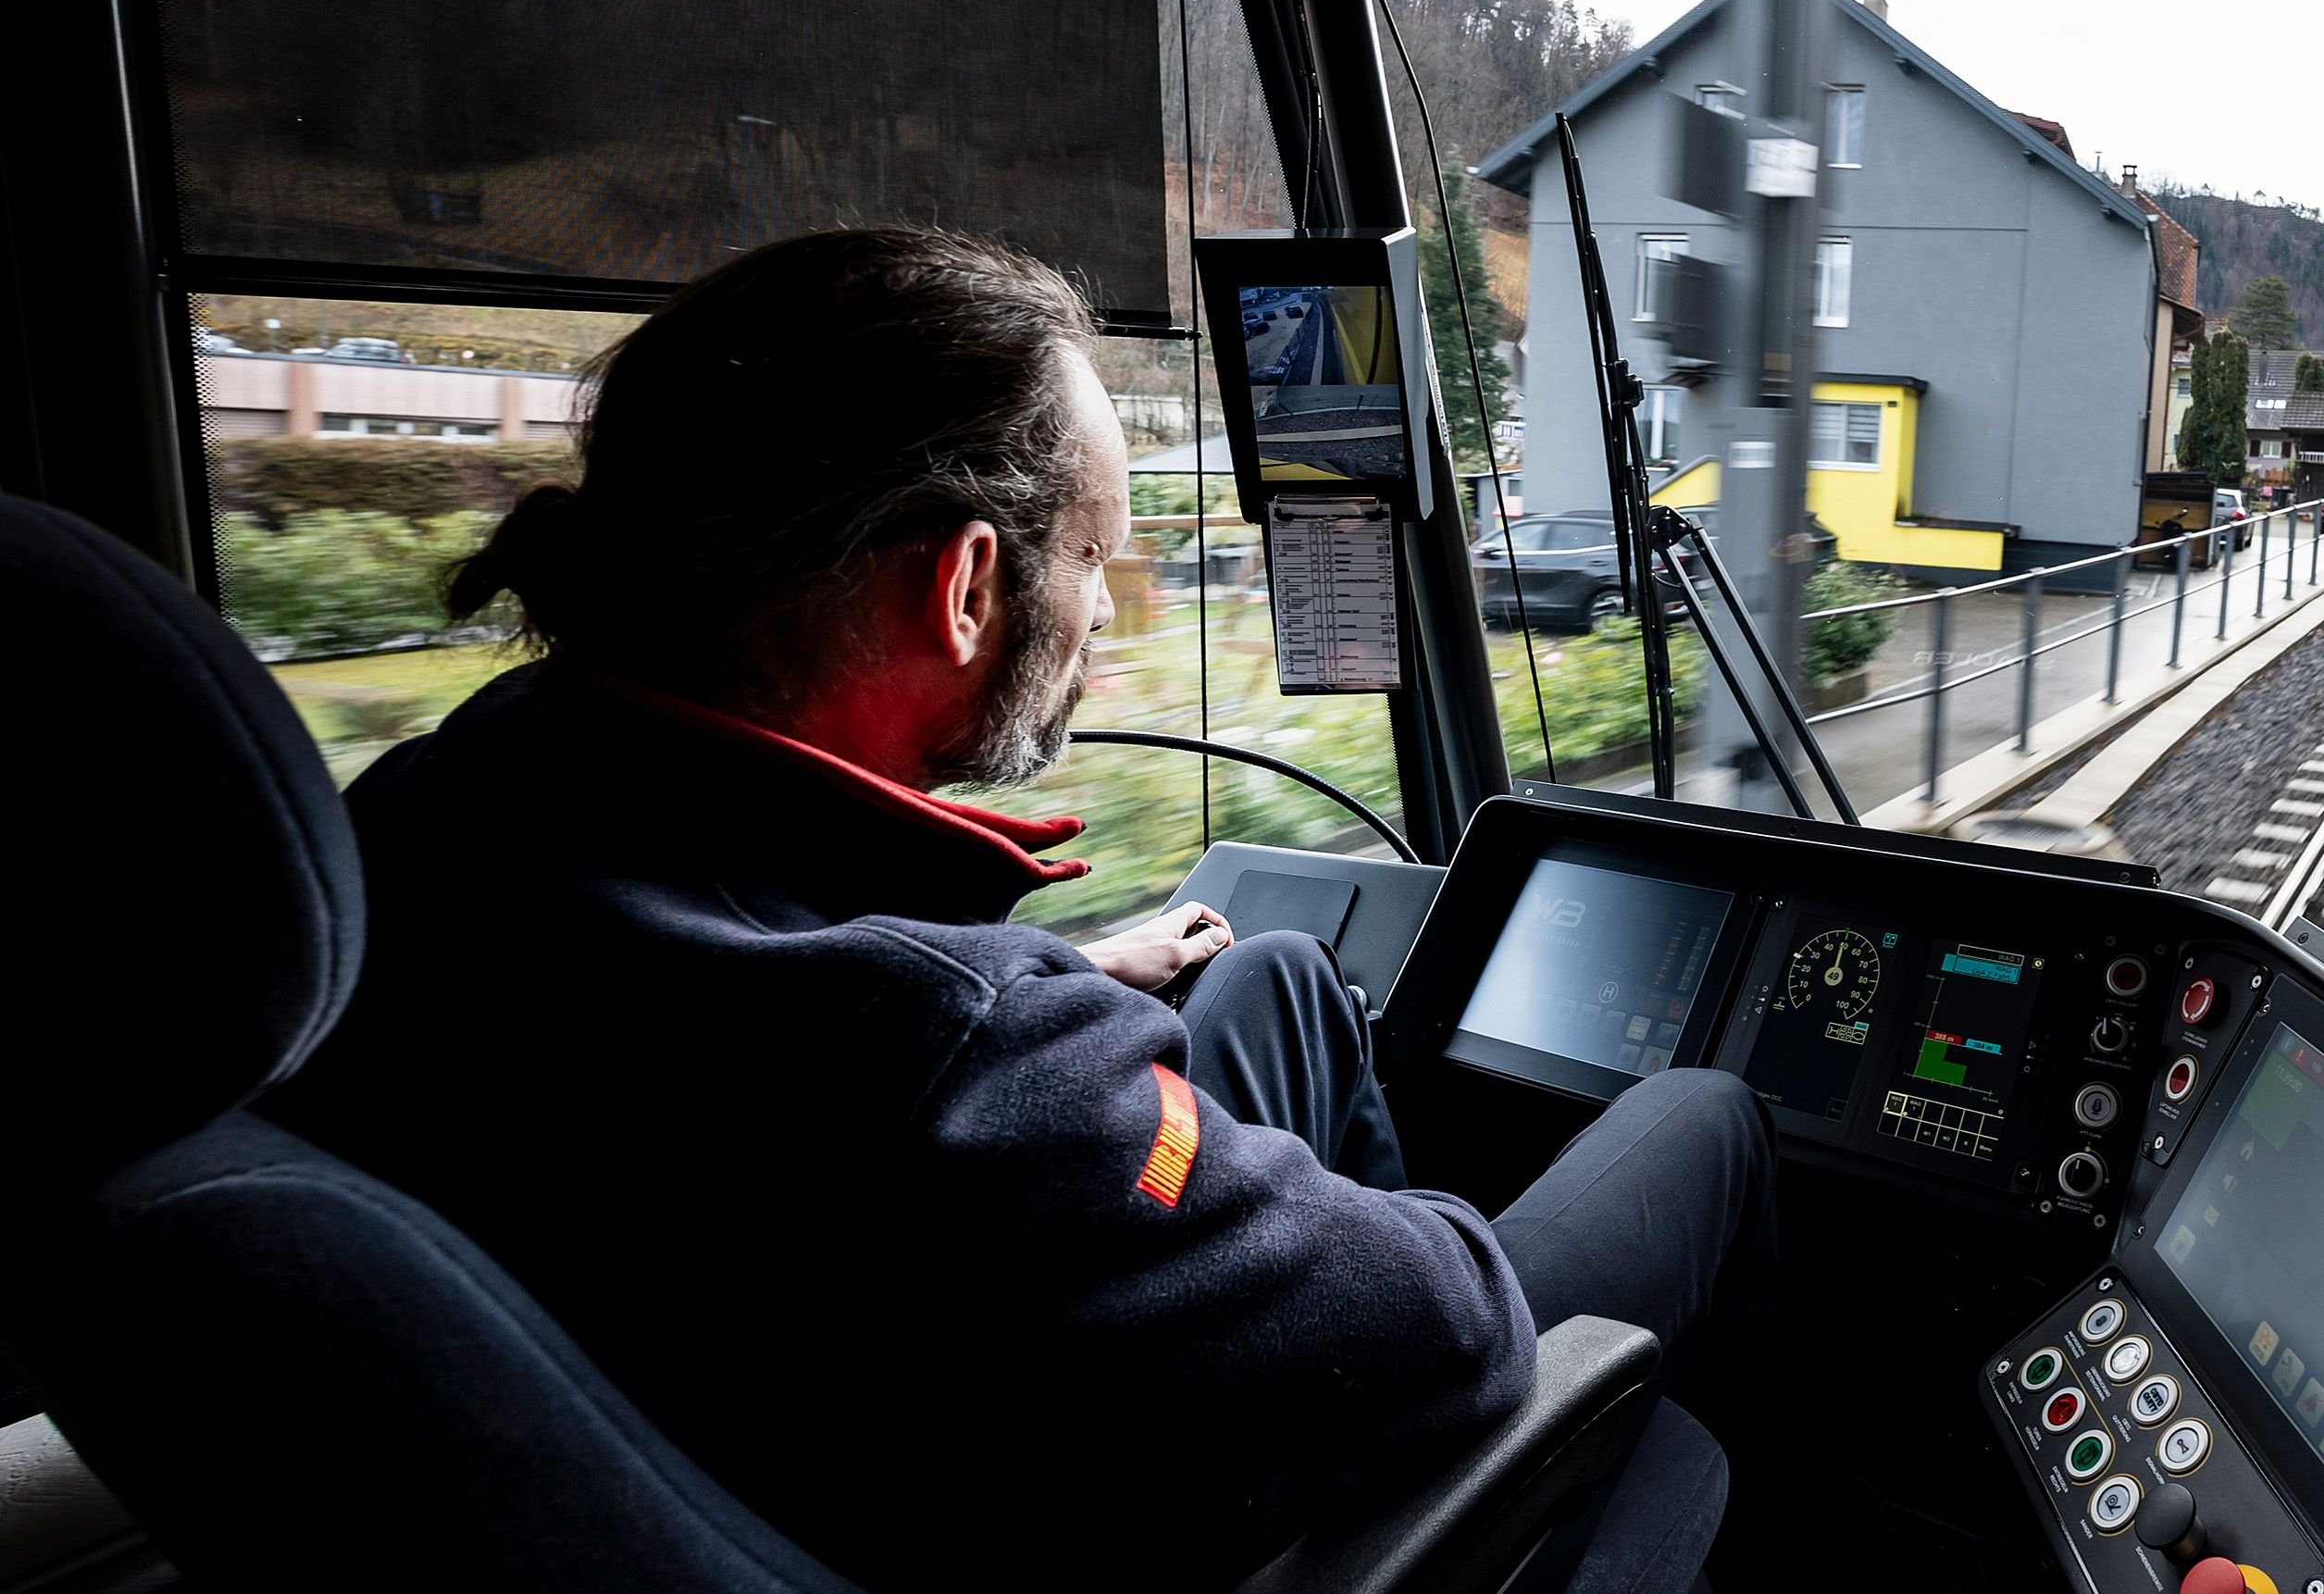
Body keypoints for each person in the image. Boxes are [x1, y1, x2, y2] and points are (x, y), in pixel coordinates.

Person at [267, 228, 1771, 1594]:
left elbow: (744, 1012)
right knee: (1699, 1115)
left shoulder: (411, 829)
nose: (1110, 608)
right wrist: (1366, 1232)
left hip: (848, 1419)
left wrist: (1058, 983)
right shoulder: (949, 1050)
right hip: (1092, 1512)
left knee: (1290, 980)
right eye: (1091, 553)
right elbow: (1459, 1311)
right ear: (967, 585)